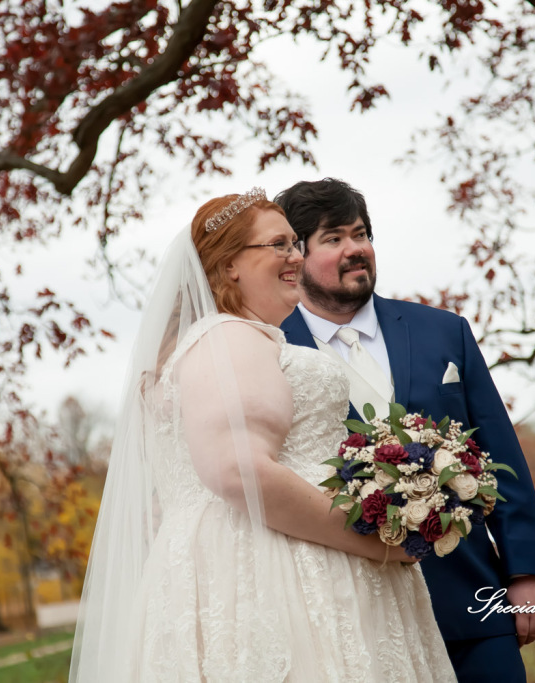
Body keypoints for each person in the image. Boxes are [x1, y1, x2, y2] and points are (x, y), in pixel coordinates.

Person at [68, 189, 456, 682]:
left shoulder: (220, 342)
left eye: (296, 244)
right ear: (230, 264)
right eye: (279, 245)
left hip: (246, 566)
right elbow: (239, 470)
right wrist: (378, 543)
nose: (296, 256)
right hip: (273, 577)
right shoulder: (227, 338)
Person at [276, 178, 535, 683]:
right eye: (334, 238)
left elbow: (497, 451)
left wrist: (527, 572)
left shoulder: (444, 332)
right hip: (348, 611)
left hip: (469, 597)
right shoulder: (268, 350)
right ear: (295, 256)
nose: (356, 249)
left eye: (361, 234)